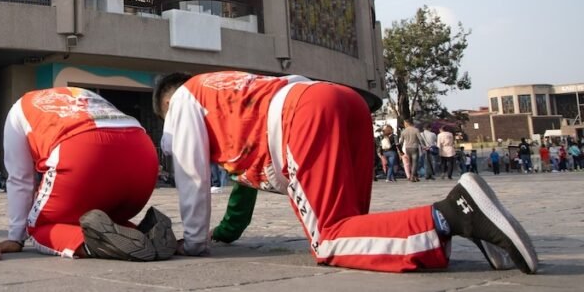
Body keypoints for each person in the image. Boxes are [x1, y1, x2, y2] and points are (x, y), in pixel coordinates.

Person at [154, 71, 538, 273]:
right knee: (355, 226)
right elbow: (244, 178)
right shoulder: (222, 90)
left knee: (331, 240)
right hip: (339, 100)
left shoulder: (184, 100)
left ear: (168, 107)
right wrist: (226, 232)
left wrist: (195, 242)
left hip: (301, 118)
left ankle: (453, 215)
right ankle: (483, 229)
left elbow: (191, 176)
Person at [0, 87, 175, 260]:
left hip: (83, 153)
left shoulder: (19, 109)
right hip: (142, 154)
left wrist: (16, 237)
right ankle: (146, 235)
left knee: (39, 227)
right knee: (106, 220)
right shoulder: (82, 93)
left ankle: (96, 245)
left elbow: (20, 178)